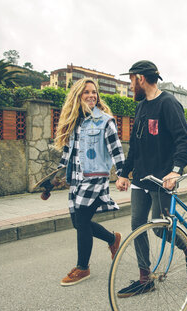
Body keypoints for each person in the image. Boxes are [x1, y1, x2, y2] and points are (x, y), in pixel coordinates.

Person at [116, 60, 187, 297]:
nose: (130, 86)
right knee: (137, 225)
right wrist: (123, 173)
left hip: (163, 180)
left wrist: (176, 170)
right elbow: (135, 147)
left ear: (140, 78)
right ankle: (144, 278)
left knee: (160, 228)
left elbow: (184, 140)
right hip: (141, 179)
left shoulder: (168, 104)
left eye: (131, 80)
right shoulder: (140, 108)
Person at [54, 77, 125, 286]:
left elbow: (116, 150)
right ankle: (113, 240)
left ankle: (83, 268)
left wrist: (122, 174)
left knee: (82, 221)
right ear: (78, 96)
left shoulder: (105, 121)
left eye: (94, 92)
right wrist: (55, 178)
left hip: (94, 180)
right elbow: (68, 153)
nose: (91, 95)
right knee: (77, 222)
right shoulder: (74, 122)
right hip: (76, 180)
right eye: (86, 92)